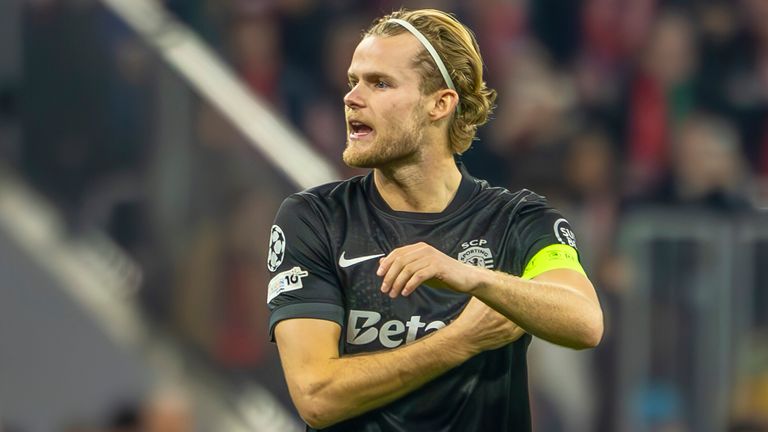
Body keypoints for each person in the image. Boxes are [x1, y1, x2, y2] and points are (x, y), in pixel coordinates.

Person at [266, 9, 604, 431]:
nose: (351, 97)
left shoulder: (517, 220)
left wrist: (475, 278)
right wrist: (460, 341)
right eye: (354, 80)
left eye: (380, 83)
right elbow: (316, 396)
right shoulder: (315, 220)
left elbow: (584, 321)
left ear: (440, 103)